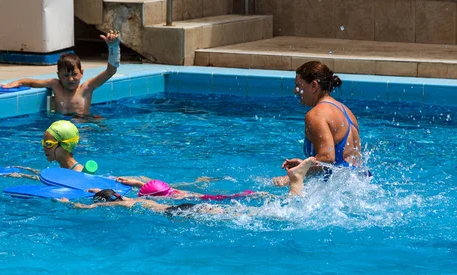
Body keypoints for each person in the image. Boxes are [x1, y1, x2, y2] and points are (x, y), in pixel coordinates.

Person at [63, 158, 317, 215]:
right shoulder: (158, 195)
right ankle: (296, 186)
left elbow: (102, 204)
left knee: (266, 215)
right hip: (188, 207)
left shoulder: (135, 203)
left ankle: (296, 183)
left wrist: (71, 203)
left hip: (186, 212)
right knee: (266, 212)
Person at [273, 61, 363, 186]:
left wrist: (292, 177)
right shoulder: (346, 111)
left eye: (299, 85)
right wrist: (304, 163)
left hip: (338, 188)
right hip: (359, 182)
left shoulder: (315, 115)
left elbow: (328, 158)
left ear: (314, 86)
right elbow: (344, 162)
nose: (295, 91)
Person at [1, 30, 121, 116]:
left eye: (74, 74)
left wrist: (113, 48)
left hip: (83, 125)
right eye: (65, 76)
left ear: (82, 73)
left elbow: (111, 71)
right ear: (58, 75)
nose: (70, 79)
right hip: (60, 125)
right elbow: (32, 82)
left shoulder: (86, 88)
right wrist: (18, 82)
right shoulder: (55, 84)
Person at [6, 120, 85, 179]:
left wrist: (24, 176)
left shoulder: (78, 174)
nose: (44, 148)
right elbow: (54, 177)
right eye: (43, 143)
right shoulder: (64, 167)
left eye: (48, 144)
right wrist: (27, 170)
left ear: (65, 145)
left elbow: (57, 181)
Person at [115, 177, 268, 200]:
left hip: (204, 199)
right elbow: (154, 188)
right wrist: (135, 182)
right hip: (202, 195)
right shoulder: (169, 190)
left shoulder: (173, 197)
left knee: (226, 198)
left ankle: (254, 195)